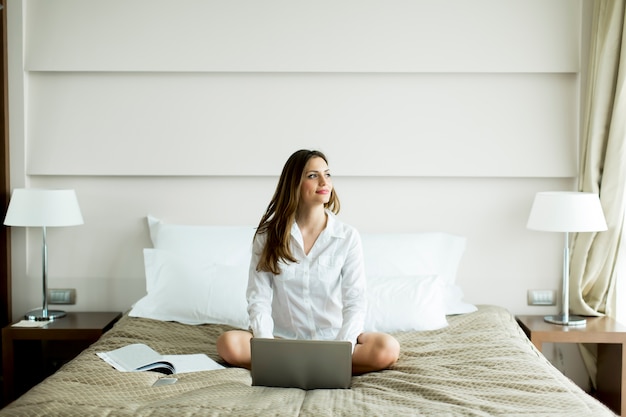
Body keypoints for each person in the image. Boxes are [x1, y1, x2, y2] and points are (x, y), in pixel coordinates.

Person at [216, 149, 400, 375]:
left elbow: (355, 301)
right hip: (282, 340)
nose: (325, 182)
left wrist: (342, 348)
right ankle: (311, 368)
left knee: (387, 348)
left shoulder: (347, 237)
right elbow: (259, 298)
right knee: (228, 343)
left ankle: (298, 368)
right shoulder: (267, 236)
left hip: (332, 340)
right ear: (294, 183)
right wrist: (266, 345)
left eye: (328, 174)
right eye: (313, 175)